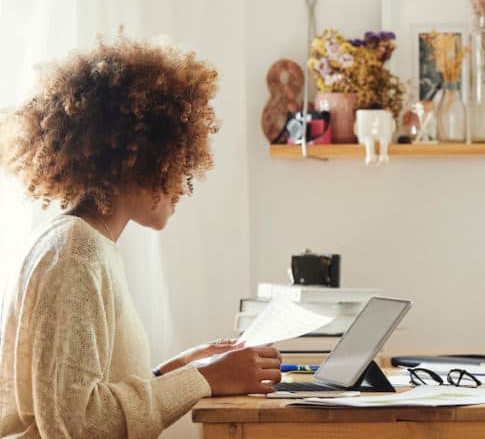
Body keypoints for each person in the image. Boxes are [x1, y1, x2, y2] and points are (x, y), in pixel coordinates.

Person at [0, 36, 282, 438]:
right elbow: (77, 425)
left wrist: (175, 369)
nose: (183, 181)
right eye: (178, 162)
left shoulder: (84, 242)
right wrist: (202, 379)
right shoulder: (75, 253)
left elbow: (77, 396)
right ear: (139, 159)